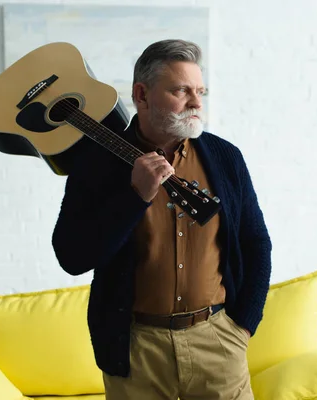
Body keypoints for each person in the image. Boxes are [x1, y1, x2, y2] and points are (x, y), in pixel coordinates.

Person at [52, 39, 272, 400]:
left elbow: (256, 242)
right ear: (142, 94)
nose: (197, 103)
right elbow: (72, 257)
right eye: (181, 90)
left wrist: (243, 326)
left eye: (200, 91)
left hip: (218, 343)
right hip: (135, 349)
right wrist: (135, 197)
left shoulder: (225, 158)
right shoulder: (96, 164)